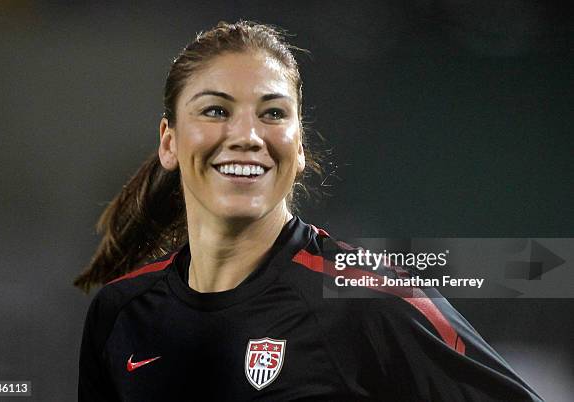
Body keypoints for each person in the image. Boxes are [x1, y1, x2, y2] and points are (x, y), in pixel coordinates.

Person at [75, 20, 543, 401]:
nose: (247, 135)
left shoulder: (365, 299)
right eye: (215, 111)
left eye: (273, 113)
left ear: (298, 147)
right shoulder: (119, 315)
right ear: (170, 141)